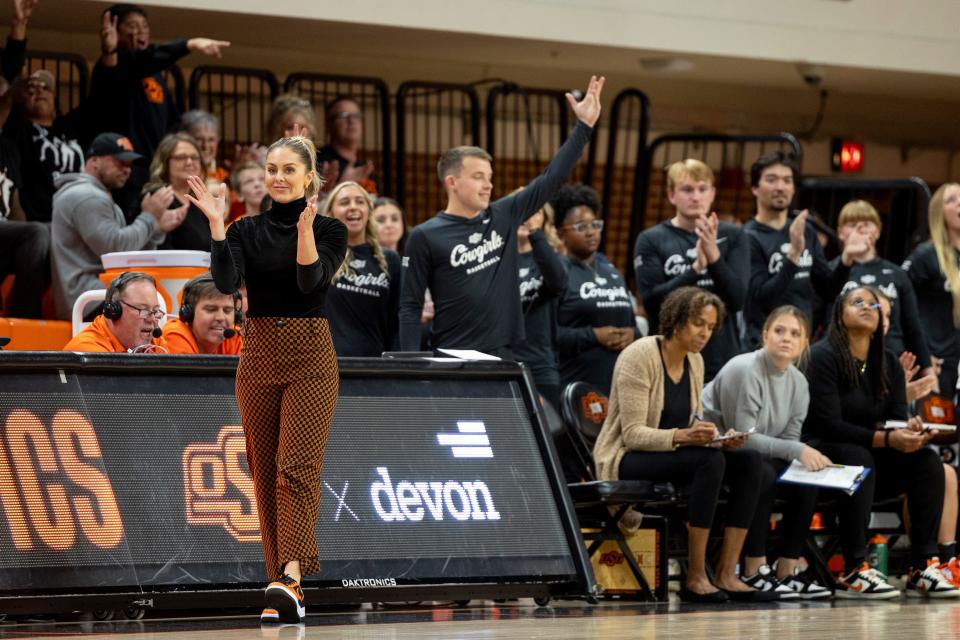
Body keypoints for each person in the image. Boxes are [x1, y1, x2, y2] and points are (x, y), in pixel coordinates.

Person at [185, 135, 347, 624]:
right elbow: (228, 282)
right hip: (257, 351)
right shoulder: (244, 229)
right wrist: (216, 228)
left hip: (311, 353)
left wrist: (303, 233)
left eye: (288, 170)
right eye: (271, 168)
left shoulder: (329, 228)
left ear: (308, 177)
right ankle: (281, 582)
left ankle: (291, 577)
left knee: (294, 467)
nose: (277, 177)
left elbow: (307, 284)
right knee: (262, 472)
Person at [399, 75, 604, 357]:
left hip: (504, 353)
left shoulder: (505, 214)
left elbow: (551, 178)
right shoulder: (425, 235)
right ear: (452, 182)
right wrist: (408, 366)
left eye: (490, 177)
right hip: (450, 354)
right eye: (478, 177)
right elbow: (409, 305)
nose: (489, 185)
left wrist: (584, 127)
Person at [592, 286, 769, 603]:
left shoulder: (695, 361)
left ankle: (727, 572)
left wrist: (717, 439)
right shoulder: (639, 355)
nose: (706, 333)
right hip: (627, 457)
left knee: (749, 460)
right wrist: (686, 437)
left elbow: (688, 426)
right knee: (708, 463)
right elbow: (633, 434)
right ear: (676, 321)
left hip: (670, 453)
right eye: (699, 323)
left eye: (711, 327)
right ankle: (696, 576)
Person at [803, 286, 958, 598]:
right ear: (839, 315)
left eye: (873, 303)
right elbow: (828, 425)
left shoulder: (886, 360)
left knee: (927, 461)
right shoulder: (822, 356)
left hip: (871, 460)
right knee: (858, 456)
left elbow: (895, 419)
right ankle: (853, 568)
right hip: (822, 459)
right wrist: (887, 438)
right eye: (856, 302)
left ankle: (922, 565)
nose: (867, 306)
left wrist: (911, 431)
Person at [702, 306, 831, 600]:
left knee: (806, 478)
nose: (786, 338)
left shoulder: (800, 383)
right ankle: (754, 569)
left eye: (795, 333)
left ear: (804, 343)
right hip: (719, 448)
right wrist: (798, 450)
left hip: (758, 453)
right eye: (779, 331)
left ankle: (787, 569)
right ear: (764, 336)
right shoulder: (744, 368)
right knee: (763, 472)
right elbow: (743, 438)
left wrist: (800, 454)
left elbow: (788, 439)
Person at [88, 3, 230, 217]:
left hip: (157, 172)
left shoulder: (155, 75)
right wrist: (190, 44)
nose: (140, 31)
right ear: (115, 31)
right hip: (129, 173)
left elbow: (173, 123)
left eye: (144, 26)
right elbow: (144, 60)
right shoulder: (114, 65)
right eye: (132, 26)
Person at [633, 159, 748, 381]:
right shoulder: (651, 239)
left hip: (721, 361)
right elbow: (652, 302)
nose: (696, 197)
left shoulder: (734, 235)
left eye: (702, 189)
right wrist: (695, 269)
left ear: (712, 193)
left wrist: (713, 255)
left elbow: (737, 300)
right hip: (669, 359)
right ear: (671, 195)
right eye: (687, 189)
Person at [51, 132, 185, 320]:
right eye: (120, 162)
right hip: (88, 300)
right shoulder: (86, 196)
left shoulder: (96, 195)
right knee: (160, 309)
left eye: (129, 165)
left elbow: (128, 258)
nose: (127, 169)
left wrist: (156, 228)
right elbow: (114, 250)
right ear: (94, 161)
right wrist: (149, 217)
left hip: (98, 294)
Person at [875, 289, 960, 587]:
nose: (881, 320)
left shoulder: (887, 359)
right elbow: (851, 418)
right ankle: (923, 562)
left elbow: (891, 416)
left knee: (941, 470)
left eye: (886, 315)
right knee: (928, 470)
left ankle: (940, 562)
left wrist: (910, 421)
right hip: (858, 455)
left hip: (886, 450)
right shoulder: (843, 358)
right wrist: (898, 396)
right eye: (876, 311)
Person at [743, 151, 861, 346]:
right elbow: (762, 300)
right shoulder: (748, 237)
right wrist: (794, 255)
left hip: (801, 342)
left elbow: (829, 290)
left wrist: (846, 258)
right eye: (771, 180)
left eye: (787, 180)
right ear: (755, 187)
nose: (780, 187)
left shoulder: (805, 231)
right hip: (764, 346)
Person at [832, 200, 933, 379]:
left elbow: (913, 325)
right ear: (840, 232)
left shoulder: (897, 274)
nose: (860, 229)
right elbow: (819, 315)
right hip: (843, 357)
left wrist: (928, 370)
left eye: (867, 224)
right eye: (852, 224)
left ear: (878, 231)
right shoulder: (833, 270)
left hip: (891, 358)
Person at [554, 184, 635, 395]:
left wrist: (632, 334)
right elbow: (546, 336)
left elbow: (632, 324)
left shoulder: (612, 272)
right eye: (581, 227)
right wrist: (592, 335)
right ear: (561, 233)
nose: (591, 233)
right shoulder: (557, 273)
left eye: (595, 225)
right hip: (573, 385)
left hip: (617, 386)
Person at [321, 180, 400, 357]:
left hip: (376, 367)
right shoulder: (319, 257)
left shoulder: (390, 260)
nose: (353, 207)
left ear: (369, 211)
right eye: (344, 202)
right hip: (327, 367)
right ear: (331, 212)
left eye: (359, 201)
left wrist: (395, 364)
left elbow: (397, 319)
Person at [0, 69, 84, 224]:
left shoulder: (69, 127)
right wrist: (12, 95)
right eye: (31, 90)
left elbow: (102, 98)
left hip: (79, 218)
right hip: (43, 220)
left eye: (46, 88)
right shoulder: (18, 130)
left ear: (54, 98)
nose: (39, 91)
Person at [904, 183, 960, 395]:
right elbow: (899, 300)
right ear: (939, 212)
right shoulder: (926, 255)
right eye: (952, 200)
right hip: (937, 364)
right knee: (939, 428)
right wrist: (921, 354)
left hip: (958, 362)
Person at [513, 200, 567, 408]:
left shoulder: (550, 259)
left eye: (534, 212)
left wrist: (535, 234)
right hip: (504, 360)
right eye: (521, 209)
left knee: (548, 433)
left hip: (540, 364)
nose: (526, 216)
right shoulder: (496, 261)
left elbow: (559, 282)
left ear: (544, 220)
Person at [143, 132, 221, 251]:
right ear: (165, 161)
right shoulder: (158, 196)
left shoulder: (199, 200)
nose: (189, 162)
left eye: (194, 157)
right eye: (181, 157)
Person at [0, 128, 47, 318]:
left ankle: (24, 320)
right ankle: (24, 314)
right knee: (36, 232)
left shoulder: (7, 147)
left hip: (4, 232)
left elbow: (16, 206)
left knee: (47, 233)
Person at [62, 271, 166, 353]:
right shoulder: (88, 351)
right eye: (143, 310)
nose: (153, 320)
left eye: (156, 311)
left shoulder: (156, 344)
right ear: (113, 311)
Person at [162, 272, 243, 355]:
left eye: (227, 310)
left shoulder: (233, 338)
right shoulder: (176, 335)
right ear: (189, 313)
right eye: (211, 309)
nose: (221, 317)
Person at [316, 96, 376, 193]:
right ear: (328, 125)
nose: (351, 121)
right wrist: (342, 185)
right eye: (343, 115)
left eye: (356, 116)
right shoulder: (318, 163)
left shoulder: (364, 168)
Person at [180, 109, 229, 184]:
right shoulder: (179, 176)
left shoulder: (224, 176)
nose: (205, 146)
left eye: (211, 140)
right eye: (199, 139)